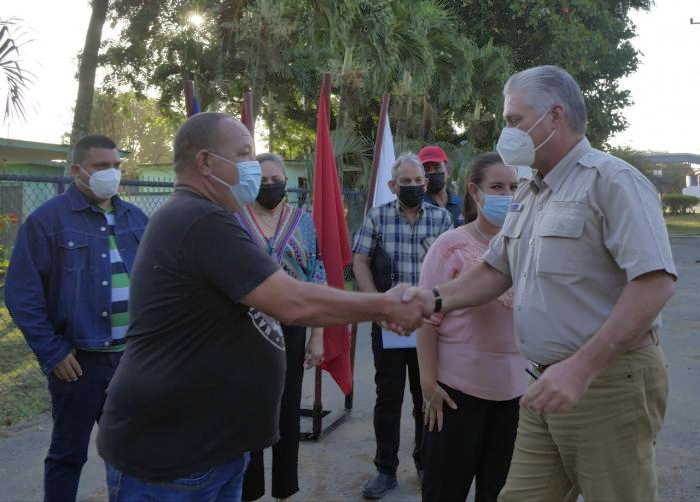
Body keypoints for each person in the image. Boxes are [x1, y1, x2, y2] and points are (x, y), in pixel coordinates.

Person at [96, 112, 424, 502]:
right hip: (174, 457)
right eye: (244, 155)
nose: (253, 168)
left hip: (207, 449)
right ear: (205, 162)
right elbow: (293, 301)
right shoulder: (199, 219)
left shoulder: (210, 216)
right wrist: (386, 305)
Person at [402, 65, 676, 502]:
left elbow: (655, 283)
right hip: (544, 383)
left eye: (515, 120)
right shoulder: (530, 190)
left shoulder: (612, 182)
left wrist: (581, 368)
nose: (507, 132)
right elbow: (495, 271)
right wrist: (433, 298)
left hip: (605, 381)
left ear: (554, 116)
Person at [4, 135, 148, 502]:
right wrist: (51, 352)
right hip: (78, 363)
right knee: (68, 455)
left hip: (131, 360)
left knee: (132, 454)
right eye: (101, 167)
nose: (111, 174)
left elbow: (158, 281)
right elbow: (22, 294)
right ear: (77, 171)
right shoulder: (47, 221)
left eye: (116, 166)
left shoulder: (136, 218)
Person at [417, 152, 527, 502]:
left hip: (515, 397)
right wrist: (428, 383)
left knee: (499, 493)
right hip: (456, 396)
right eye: (497, 187)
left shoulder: (530, 247)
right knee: (445, 491)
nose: (507, 195)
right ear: (475, 192)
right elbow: (425, 318)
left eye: (514, 187)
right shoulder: (450, 245)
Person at [352, 153, 453, 500]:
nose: (412, 187)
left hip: (430, 324)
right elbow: (360, 260)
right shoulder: (377, 217)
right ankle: (385, 469)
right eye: (405, 182)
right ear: (393, 185)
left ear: (425, 184)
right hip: (389, 323)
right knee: (388, 397)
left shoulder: (442, 219)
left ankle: (426, 465)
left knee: (426, 396)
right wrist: (375, 304)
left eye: (417, 181)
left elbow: (454, 269)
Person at [238, 153, 325, 502]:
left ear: (285, 181)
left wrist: (318, 335)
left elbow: (316, 276)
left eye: (276, 178)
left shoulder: (302, 221)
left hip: (292, 326)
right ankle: (251, 489)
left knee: (287, 408)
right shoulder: (235, 219)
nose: (269, 185)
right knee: (250, 408)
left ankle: (285, 489)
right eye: (262, 179)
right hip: (244, 329)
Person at [418, 145, 464, 226]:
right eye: (426, 169)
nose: (431, 173)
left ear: (448, 171)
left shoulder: (461, 204)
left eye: (437, 167)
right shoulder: (417, 207)